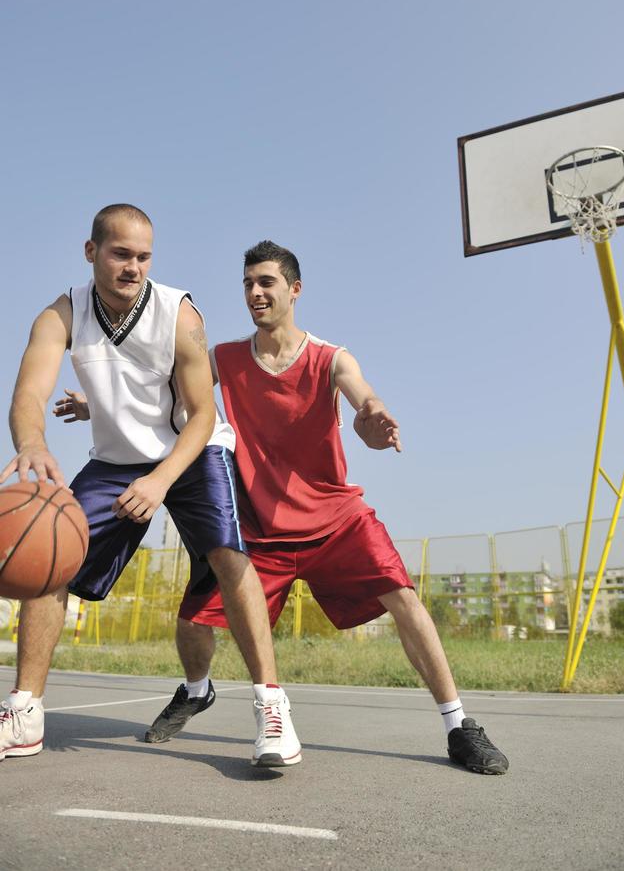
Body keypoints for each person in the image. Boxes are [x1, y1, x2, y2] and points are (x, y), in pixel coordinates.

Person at [147, 239, 510, 775]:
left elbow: (361, 394)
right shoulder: (224, 357)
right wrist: (96, 404)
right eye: (248, 283)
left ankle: (458, 725)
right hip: (261, 530)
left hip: (334, 521)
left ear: (294, 289)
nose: (255, 292)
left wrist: (374, 412)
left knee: (404, 598)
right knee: (192, 621)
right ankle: (197, 691)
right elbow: (169, 390)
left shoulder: (329, 357)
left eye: (266, 282)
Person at [0, 209, 300, 768]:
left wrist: (161, 480)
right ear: (91, 252)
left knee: (229, 557)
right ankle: (24, 712)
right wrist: (33, 444)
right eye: (121, 254)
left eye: (143, 257)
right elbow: (28, 391)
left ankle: (272, 708)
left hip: (194, 449)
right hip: (116, 460)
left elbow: (205, 413)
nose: (133, 267)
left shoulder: (178, 313)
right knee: (49, 554)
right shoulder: (60, 314)